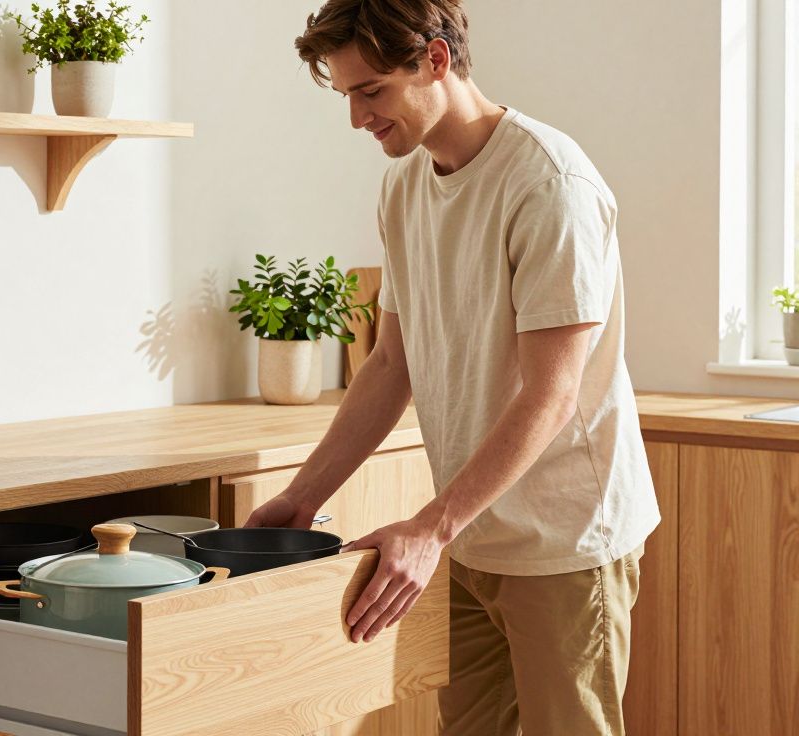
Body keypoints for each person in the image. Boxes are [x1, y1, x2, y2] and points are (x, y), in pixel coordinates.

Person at [243, 0, 660, 733]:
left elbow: (551, 395)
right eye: (346, 95)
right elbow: (389, 365)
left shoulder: (549, 184)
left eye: (370, 91)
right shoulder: (403, 187)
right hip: (468, 532)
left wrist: (430, 529)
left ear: (436, 60)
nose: (356, 119)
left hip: (564, 541)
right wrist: (302, 497)